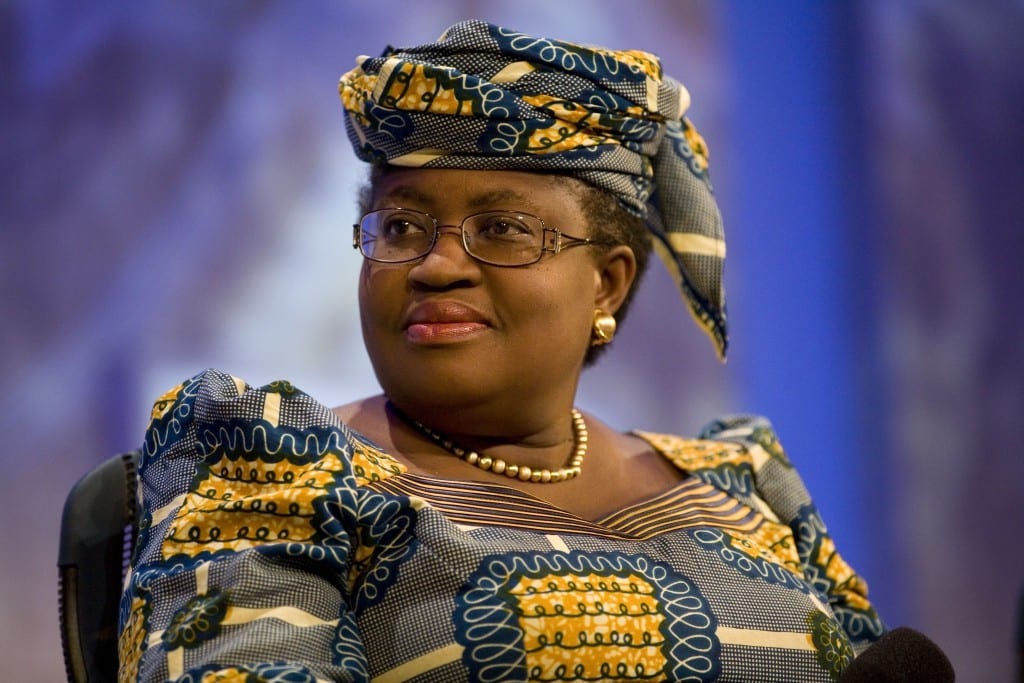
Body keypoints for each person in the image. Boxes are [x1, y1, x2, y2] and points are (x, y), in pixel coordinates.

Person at [118, 20, 884, 682]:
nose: (435, 264)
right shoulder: (275, 468)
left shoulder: (747, 487)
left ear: (607, 286)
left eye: (503, 229)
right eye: (400, 227)